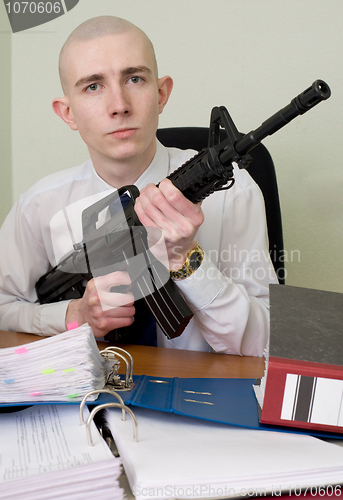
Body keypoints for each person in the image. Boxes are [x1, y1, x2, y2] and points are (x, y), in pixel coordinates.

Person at [0, 16, 278, 355]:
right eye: (93, 86)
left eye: (134, 79)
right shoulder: (39, 206)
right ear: (67, 113)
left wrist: (186, 260)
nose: (119, 106)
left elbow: (267, 345)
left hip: (203, 396)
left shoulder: (233, 192)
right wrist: (73, 315)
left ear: (161, 94)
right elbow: (3, 310)